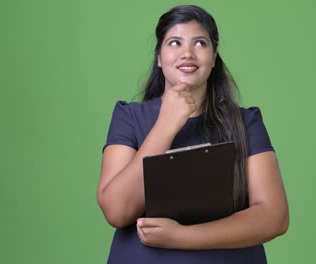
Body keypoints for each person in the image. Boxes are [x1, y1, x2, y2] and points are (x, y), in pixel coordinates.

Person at [97, 5, 289, 264]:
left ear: (214, 56)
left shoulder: (246, 122)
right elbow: (117, 211)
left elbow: (274, 217)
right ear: (159, 56)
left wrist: (182, 237)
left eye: (200, 43)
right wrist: (167, 124)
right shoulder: (130, 117)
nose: (187, 53)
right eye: (174, 42)